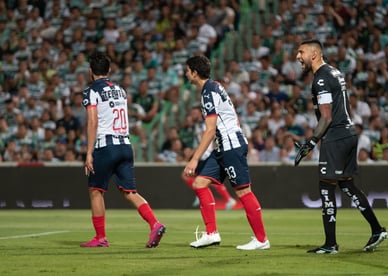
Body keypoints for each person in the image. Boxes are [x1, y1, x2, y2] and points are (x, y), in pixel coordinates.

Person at [294, 39, 387, 254]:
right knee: (346, 184)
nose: (298, 57)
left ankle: (330, 244)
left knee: (326, 185)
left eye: (301, 52)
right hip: (349, 132)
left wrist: (310, 143)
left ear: (314, 54)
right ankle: (376, 229)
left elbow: (326, 117)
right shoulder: (334, 72)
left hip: (336, 136)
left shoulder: (321, 79)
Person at [183, 55, 269, 250]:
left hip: (230, 145)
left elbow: (210, 129)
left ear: (195, 72)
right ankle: (211, 234)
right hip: (223, 146)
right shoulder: (215, 86)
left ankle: (262, 240)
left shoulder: (207, 92)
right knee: (200, 183)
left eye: (187, 70)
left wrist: (194, 159)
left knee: (243, 191)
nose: (186, 73)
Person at [81, 52, 166, 248]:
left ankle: (100, 237)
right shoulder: (120, 90)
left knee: (96, 190)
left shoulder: (91, 91)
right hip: (126, 146)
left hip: (106, 146)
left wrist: (88, 152)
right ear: (109, 70)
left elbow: (93, 121)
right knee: (129, 192)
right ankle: (155, 223)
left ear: (90, 71)